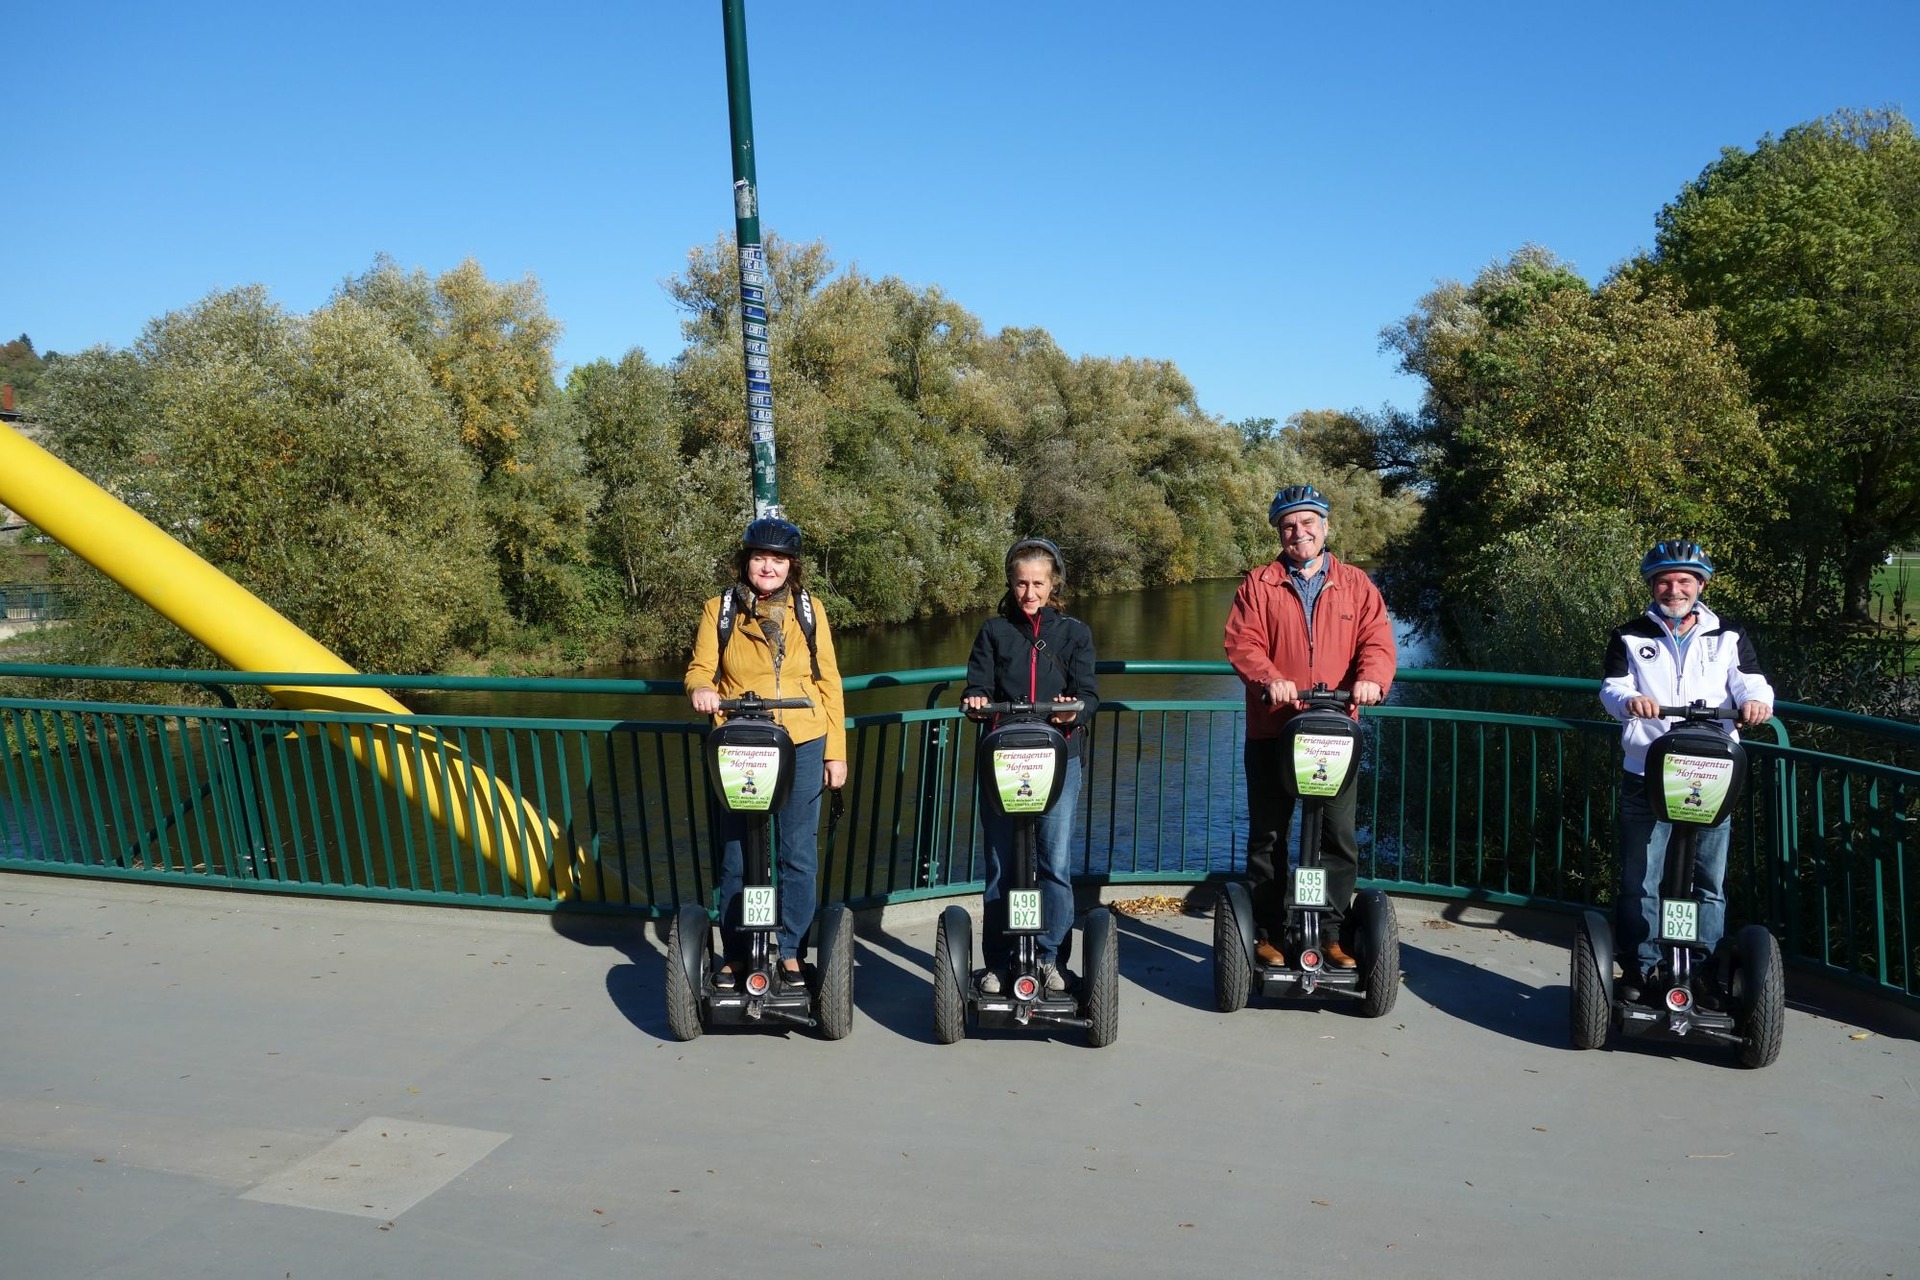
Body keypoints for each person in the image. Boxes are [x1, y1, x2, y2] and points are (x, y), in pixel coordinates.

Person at [1223, 485, 1396, 968]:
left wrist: (1371, 680)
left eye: (1307, 523)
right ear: (1279, 533)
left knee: (1336, 835)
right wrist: (1270, 679)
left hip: (1334, 731)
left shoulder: (1356, 584)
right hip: (1274, 730)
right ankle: (1269, 931)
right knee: (1269, 837)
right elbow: (1242, 642)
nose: (1299, 532)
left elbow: (1377, 641)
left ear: (1325, 527)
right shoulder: (1259, 584)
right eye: (1288, 526)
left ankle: (1332, 932)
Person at [1599, 540, 1774, 998]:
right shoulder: (1630, 635)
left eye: (1683, 581)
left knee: (1708, 881)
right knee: (1641, 878)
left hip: (1710, 774)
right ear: (1652, 586)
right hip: (1647, 772)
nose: (1673, 590)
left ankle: (1703, 969)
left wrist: (1757, 702)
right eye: (1664, 581)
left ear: (1700, 586)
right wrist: (1630, 701)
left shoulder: (1727, 635)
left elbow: (1751, 682)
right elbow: (1612, 688)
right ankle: (1641, 967)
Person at [685, 517, 848, 988]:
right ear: (746, 562)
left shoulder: (809, 611)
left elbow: (829, 683)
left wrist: (836, 753)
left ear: (791, 566)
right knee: (737, 852)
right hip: (743, 744)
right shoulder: (720, 610)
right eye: (760, 558)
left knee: (798, 852)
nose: (769, 567)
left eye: (778, 559)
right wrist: (701, 690)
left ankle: (792, 952)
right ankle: (738, 952)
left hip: (803, 740)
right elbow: (699, 668)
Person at [962, 538, 1099, 995]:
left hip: (1059, 758)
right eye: (1021, 583)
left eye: (1039, 583)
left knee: (1054, 862)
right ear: (1011, 583)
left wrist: (1073, 711)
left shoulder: (1074, 633)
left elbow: (1089, 694)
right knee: (1001, 863)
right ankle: (1000, 963)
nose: (1030, 592)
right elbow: (976, 686)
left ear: (1053, 583)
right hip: (1005, 760)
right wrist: (975, 700)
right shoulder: (994, 631)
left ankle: (1050, 958)